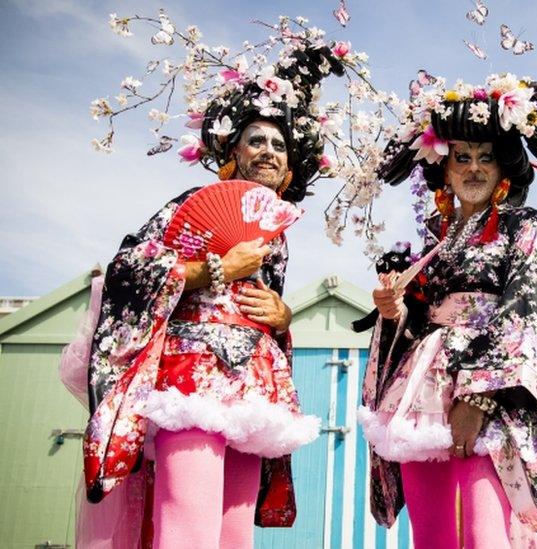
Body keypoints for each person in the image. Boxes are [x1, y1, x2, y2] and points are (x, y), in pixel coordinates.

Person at [81, 41, 346, 548]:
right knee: (188, 521)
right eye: (256, 140)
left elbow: (264, 306)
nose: (268, 151)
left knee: (233, 532)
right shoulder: (191, 203)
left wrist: (283, 314)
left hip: (253, 383)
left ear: (290, 168)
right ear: (231, 153)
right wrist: (214, 269)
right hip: (190, 376)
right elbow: (126, 271)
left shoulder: (277, 233)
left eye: (279, 145)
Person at [357, 73, 537, 547]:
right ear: (446, 168)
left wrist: (478, 398)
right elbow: (419, 324)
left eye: (486, 157)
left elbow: (528, 310)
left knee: (485, 533)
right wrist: (394, 311)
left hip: (491, 398)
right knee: (431, 536)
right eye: (462, 157)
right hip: (421, 397)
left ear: (503, 170)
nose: (474, 168)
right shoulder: (431, 245)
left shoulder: (524, 227)